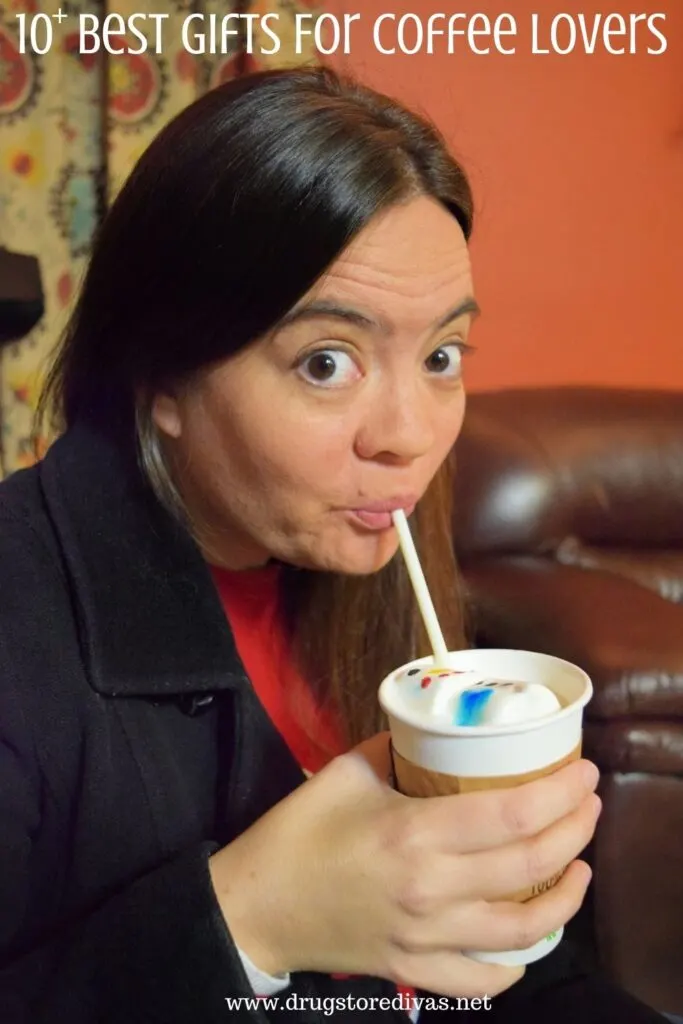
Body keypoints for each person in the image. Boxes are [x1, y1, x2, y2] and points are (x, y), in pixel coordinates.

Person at [0, 66, 668, 1024]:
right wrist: (253, 922)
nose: (407, 434)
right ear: (163, 376)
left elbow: (519, 984)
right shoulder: (23, 622)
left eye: (441, 356)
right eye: (326, 362)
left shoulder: (384, 574)